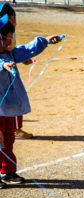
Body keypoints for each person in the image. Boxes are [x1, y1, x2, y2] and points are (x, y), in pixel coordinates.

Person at [0, 15, 62, 189]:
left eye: (11, 37)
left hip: (6, 108)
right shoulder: (3, 58)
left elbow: (26, 50)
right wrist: (2, 65)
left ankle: (8, 171)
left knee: (8, 140)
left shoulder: (9, 52)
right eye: (6, 38)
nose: (10, 41)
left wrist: (45, 41)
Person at [0, 2, 33, 139]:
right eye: (11, 18)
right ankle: (15, 129)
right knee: (10, 100)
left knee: (16, 97)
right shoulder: (2, 32)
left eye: (14, 17)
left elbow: (13, 49)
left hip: (9, 66)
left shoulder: (9, 31)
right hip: (3, 70)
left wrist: (23, 58)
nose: (14, 21)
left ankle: (15, 128)